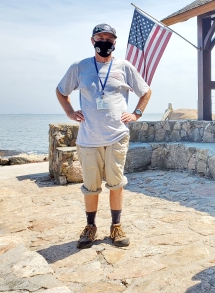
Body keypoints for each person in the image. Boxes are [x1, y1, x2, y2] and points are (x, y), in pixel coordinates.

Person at [56, 23, 152, 249]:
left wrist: (136, 113)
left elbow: (145, 91)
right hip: (89, 139)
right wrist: (69, 111)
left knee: (116, 184)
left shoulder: (124, 67)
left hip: (116, 137)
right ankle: (90, 227)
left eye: (109, 39)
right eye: (100, 37)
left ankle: (116, 226)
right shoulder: (79, 67)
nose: (105, 42)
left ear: (114, 43)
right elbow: (61, 91)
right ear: (92, 41)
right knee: (90, 187)